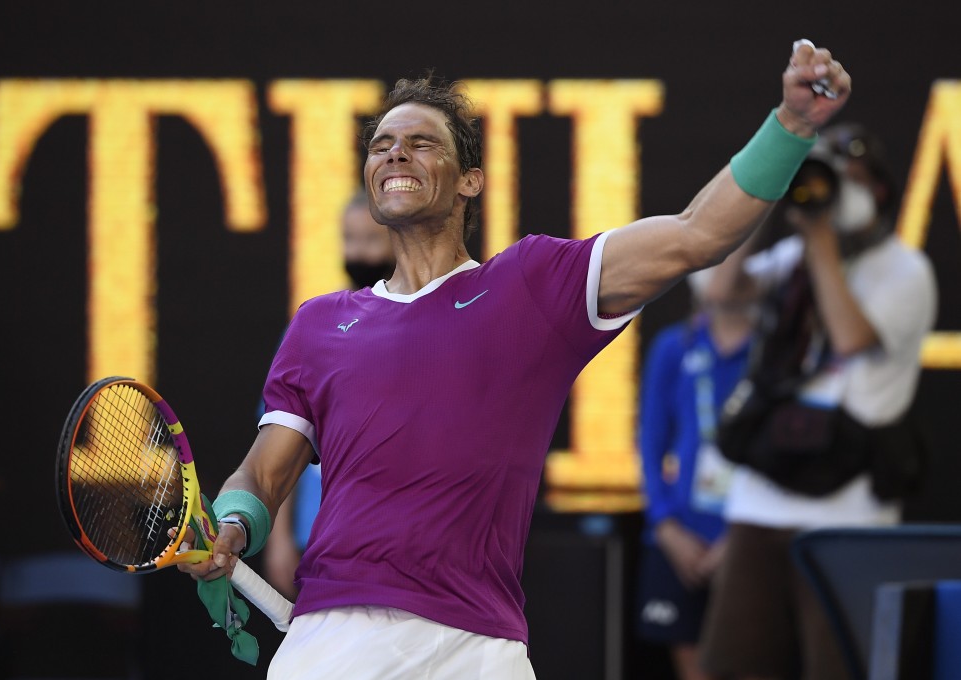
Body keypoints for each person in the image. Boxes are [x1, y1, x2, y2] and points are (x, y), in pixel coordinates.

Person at [179, 41, 852, 679]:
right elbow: (265, 475)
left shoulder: (531, 284)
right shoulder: (319, 324)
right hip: (335, 635)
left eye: (421, 143)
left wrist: (791, 124)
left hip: (479, 646)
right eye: (382, 145)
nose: (396, 154)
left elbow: (697, 236)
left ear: (469, 180)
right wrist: (232, 521)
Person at [696, 121, 937, 680]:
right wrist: (762, 202)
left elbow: (851, 337)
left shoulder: (906, 269)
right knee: (735, 666)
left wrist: (822, 242)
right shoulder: (790, 256)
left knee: (840, 664)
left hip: (848, 508)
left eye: (846, 182)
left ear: (878, 191)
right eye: (822, 179)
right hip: (761, 500)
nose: (829, 193)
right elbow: (719, 294)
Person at [262, 190, 396, 600]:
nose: (359, 252)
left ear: (398, 240)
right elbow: (283, 443)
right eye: (349, 240)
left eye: (371, 240)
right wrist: (278, 539)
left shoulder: (432, 324)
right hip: (319, 540)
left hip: (396, 543)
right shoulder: (315, 326)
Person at [635, 264, 756, 680]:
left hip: (749, 535)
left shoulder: (773, 351)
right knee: (694, 665)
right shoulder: (674, 347)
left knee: (757, 660)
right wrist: (665, 526)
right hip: (680, 536)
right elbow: (649, 444)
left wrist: (742, 537)